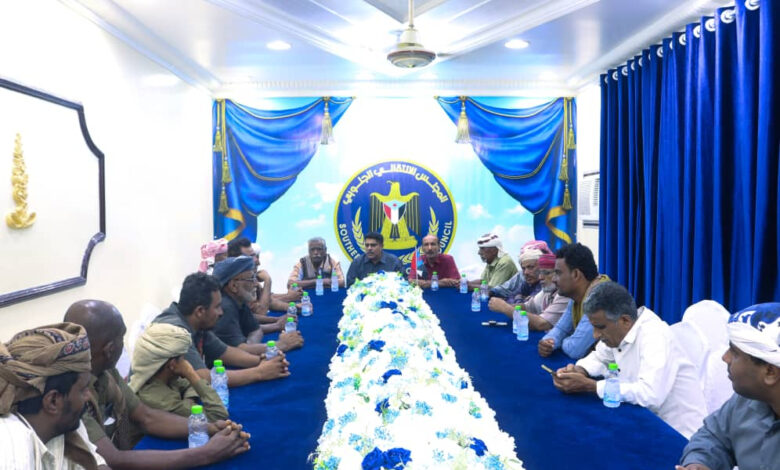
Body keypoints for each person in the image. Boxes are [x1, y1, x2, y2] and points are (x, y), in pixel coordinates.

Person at [63, 300, 249, 469]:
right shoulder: (71, 392)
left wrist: (207, 428)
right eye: (121, 338)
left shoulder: (105, 372)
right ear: (110, 350)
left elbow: (146, 416)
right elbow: (114, 459)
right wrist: (207, 453)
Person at [551, 282, 707, 438]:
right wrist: (580, 370)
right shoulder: (618, 330)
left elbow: (650, 395)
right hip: (645, 423)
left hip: (679, 436)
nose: (595, 335)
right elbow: (600, 357)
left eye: (600, 327)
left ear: (625, 320)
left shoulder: (655, 336)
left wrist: (592, 386)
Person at [677, 303, 780, 470]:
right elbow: (713, 437)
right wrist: (700, 463)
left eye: (735, 353)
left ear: (770, 372)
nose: (725, 358)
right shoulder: (744, 402)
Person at [0, 322, 108, 470]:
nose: (88, 396)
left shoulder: (65, 423)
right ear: (53, 401)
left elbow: (98, 464)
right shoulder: (11, 452)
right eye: (83, 389)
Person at [153, 273, 291, 387]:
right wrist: (259, 372)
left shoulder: (195, 320)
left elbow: (225, 352)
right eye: (217, 307)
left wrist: (263, 361)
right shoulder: (175, 332)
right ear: (200, 311)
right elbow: (202, 377)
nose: (221, 312)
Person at [129, 323, 228, 422]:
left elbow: (189, 385)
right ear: (172, 364)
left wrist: (188, 401)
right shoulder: (158, 399)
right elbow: (218, 415)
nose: (186, 362)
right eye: (182, 358)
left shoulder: (165, 378)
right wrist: (191, 373)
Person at [211, 257, 303, 356]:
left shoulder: (239, 301)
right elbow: (237, 352)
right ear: (233, 286)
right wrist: (280, 345)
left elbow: (255, 330)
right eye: (251, 279)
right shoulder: (225, 307)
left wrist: (250, 346)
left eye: (255, 277)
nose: (256, 284)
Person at [538, 243, 609, 360]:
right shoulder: (578, 293)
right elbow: (561, 329)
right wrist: (548, 342)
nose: (554, 279)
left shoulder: (600, 297)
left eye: (558, 273)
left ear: (576, 274)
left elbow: (575, 349)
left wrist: (562, 340)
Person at [488, 253, 570, 331]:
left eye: (546, 273)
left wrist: (505, 308)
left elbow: (542, 324)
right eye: (540, 273)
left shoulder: (565, 294)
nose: (540, 277)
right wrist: (502, 306)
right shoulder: (547, 291)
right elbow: (527, 306)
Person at [228, 236, 302, 313]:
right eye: (251, 257)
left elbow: (268, 300)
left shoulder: (251, 278)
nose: (257, 262)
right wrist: (268, 280)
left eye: (255, 256)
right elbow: (260, 311)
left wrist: (294, 307)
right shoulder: (238, 281)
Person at [490, 240, 550, 304]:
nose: (526, 272)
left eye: (531, 267)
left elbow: (526, 306)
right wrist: (519, 298)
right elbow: (511, 297)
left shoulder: (547, 284)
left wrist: (518, 298)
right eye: (523, 268)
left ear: (543, 267)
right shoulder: (527, 283)